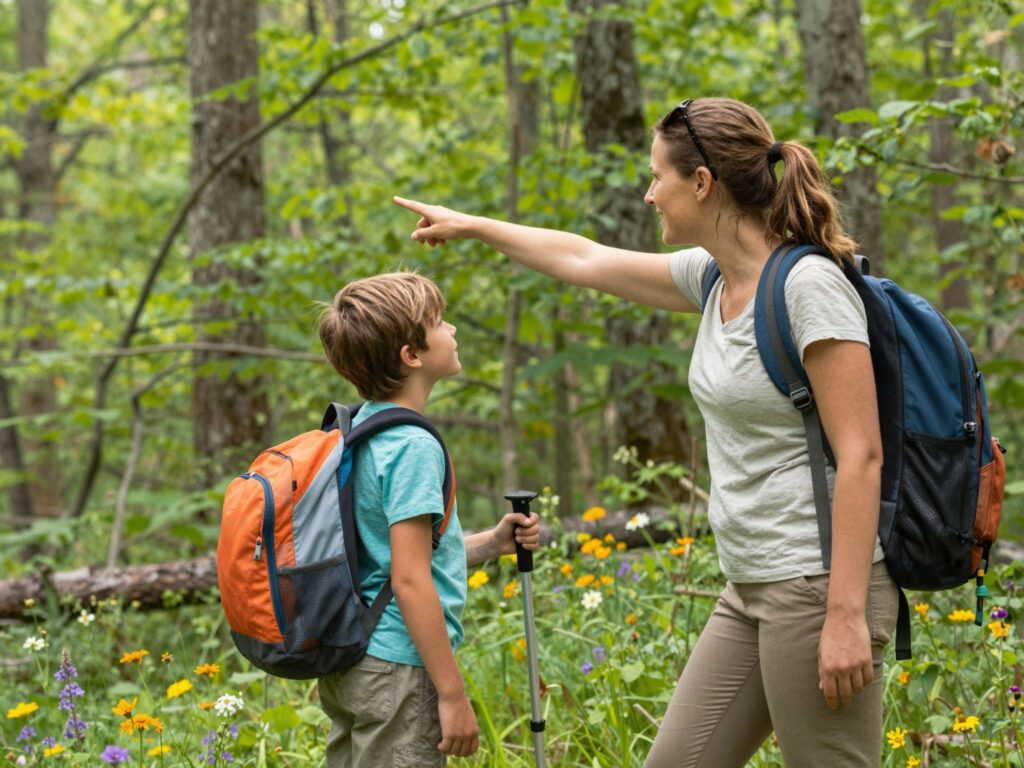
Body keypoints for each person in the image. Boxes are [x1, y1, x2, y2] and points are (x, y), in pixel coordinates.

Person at [393, 97, 899, 767]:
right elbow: (584, 259)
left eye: (657, 176)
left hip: (816, 582)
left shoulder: (808, 288)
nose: (648, 193)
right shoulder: (713, 276)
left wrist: (844, 615)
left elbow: (862, 455)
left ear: (701, 182)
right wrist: (475, 226)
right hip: (748, 582)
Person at [315, 271, 540, 768]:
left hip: (355, 661)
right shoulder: (412, 447)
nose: (453, 329)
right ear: (411, 356)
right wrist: (451, 693)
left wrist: (489, 543)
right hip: (398, 668)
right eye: (439, 323)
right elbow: (410, 578)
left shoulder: (361, 433)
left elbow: (387, 553)